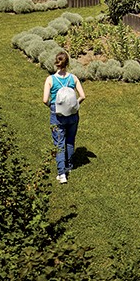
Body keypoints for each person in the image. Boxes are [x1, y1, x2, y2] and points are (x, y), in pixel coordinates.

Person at [42, 50, 86, 183]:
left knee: (59, 143)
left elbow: (45, 100)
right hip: (73, 114)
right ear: (68, 63)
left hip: (58, 114)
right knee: (70, 140)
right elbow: (83, 96)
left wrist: (52, 107)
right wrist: (75, 105)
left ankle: (61, 174)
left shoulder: (50, 79)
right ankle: (69, 166)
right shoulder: (73, 78)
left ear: (56, 63)